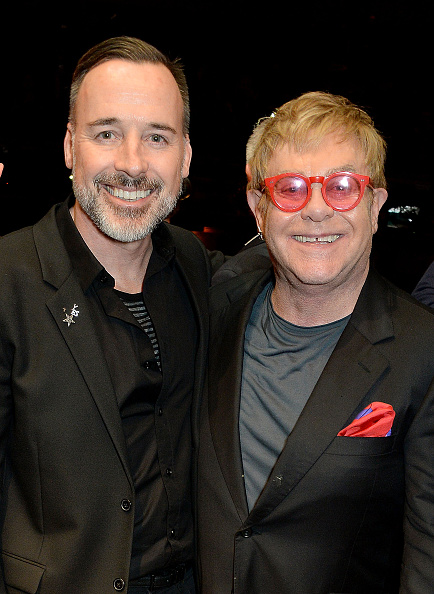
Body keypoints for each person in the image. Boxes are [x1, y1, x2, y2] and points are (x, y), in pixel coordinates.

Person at [0, 36, 223, 593]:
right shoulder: (8, 282)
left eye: (157, 137)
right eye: (107, 133)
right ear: (71, 146)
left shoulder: (195, 268)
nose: (131, 163)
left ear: (186, 156)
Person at [197, 91, 434, 593]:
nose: (317, 210)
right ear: (258, 208)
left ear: (375, 206)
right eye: (291, 188)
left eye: (343, 186)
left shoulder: (423, 352)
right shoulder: (212, 314)